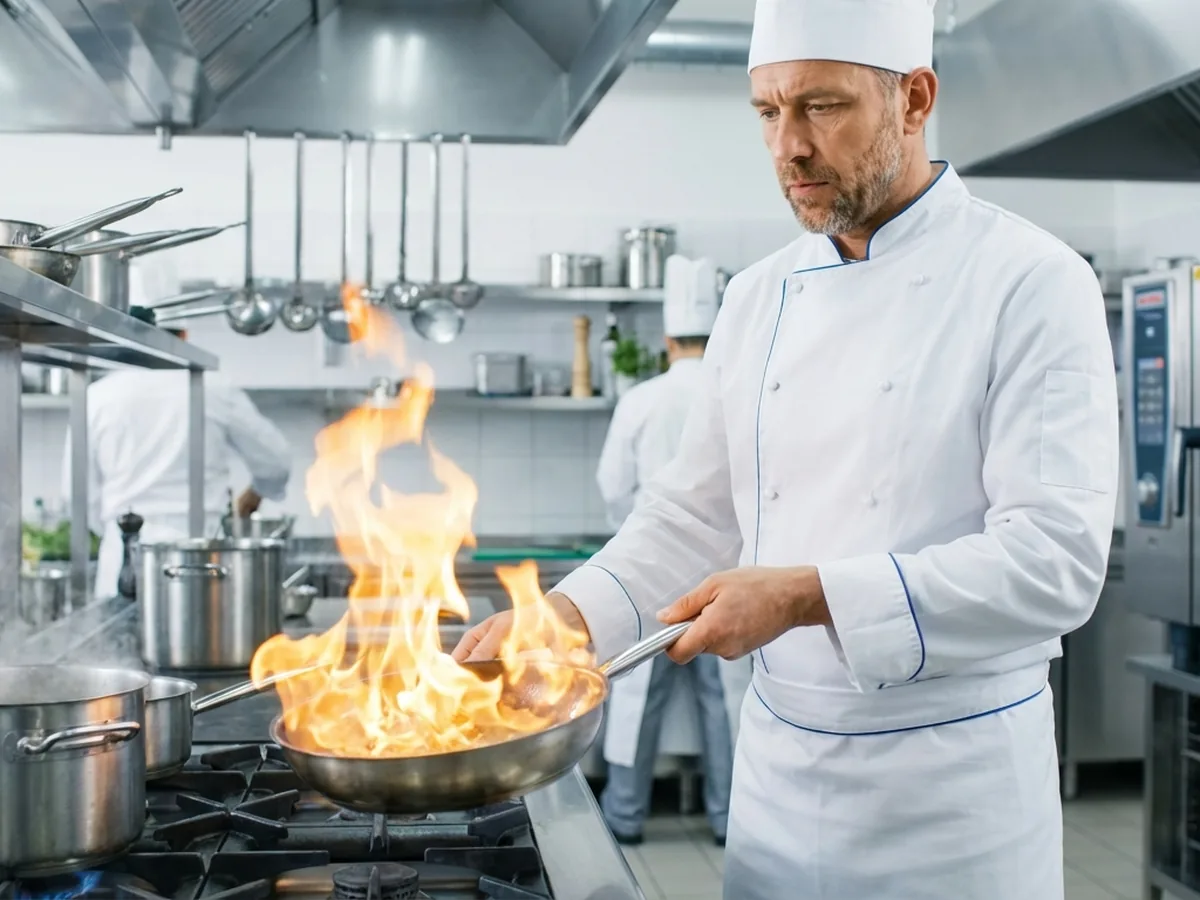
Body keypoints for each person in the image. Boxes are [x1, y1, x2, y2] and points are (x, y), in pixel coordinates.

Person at [455, 0, 1119, 896]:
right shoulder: (759, 296)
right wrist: (565, 619)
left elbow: (1055, 564)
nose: (787, 147)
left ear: (915, 99)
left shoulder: (1032, 282)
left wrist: (808, 596)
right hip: (778, 786)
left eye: (822, 107)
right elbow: (694, 515)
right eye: (768, 111)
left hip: (950, 801)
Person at [594, 254, 736, 847]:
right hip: (731, 577)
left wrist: (631, 531)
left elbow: (611, 486)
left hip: (651, 576)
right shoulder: (734, 389)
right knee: (725, 697)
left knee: (636, 696)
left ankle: (625, 815)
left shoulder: (642, 399)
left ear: (667, 338)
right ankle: (728, 817)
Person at [62, 309, 292, 600]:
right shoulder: (214, 388)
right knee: (202, 641)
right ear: (183, 336)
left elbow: (77, 497)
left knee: (118, 643)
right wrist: (256, 493)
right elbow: (276, 462)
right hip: (200, 560)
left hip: (123, 560)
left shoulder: (97, 396)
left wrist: (112, 529)